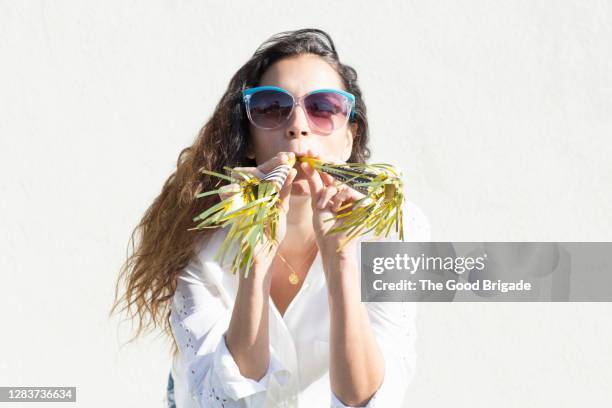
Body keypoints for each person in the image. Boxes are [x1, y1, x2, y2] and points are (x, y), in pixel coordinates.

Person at [112, 28, 430, 408]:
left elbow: (371, 400)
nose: (297, 124)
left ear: (349, 138)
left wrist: (341, 259)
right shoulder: (197, 236)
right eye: (271, 107)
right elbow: (227, 401)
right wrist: (254, 265)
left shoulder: (395, 228)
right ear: (247, 138)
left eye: (324, 107)